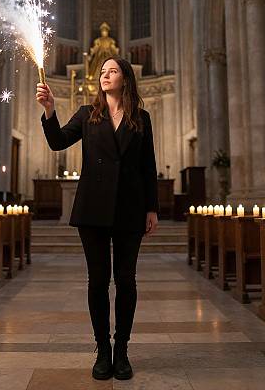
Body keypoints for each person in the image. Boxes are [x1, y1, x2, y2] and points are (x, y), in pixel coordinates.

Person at [36, 56, 159, 381]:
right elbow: (57, 141)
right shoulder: (87, 115)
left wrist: (152, 208)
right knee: (98, 282)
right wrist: (50, 110)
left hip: (130, 208)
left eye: (113, 71)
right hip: (93, 209)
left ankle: (122, 351)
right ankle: (103, 351)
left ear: (126, 79)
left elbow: (149, 167)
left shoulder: (142, 119)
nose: (105, 75)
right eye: (102, 72)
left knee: (127, 281)